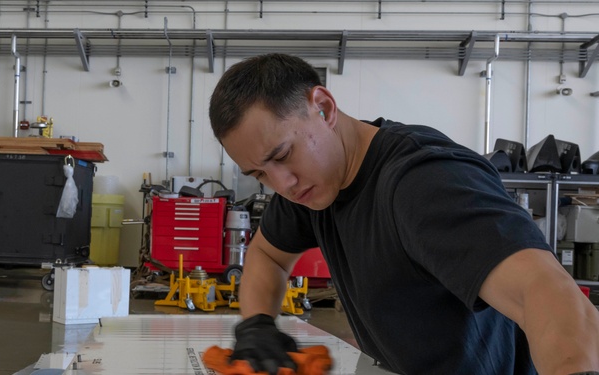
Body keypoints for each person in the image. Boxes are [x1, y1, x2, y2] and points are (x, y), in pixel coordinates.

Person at [208, 53, 599, 375]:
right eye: (259, 173)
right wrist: (257, 324)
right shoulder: (313, 186)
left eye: (282, 155)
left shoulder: (424, 182)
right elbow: (267, 254)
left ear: (324, 108)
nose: (283, 183)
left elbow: (546, 291)